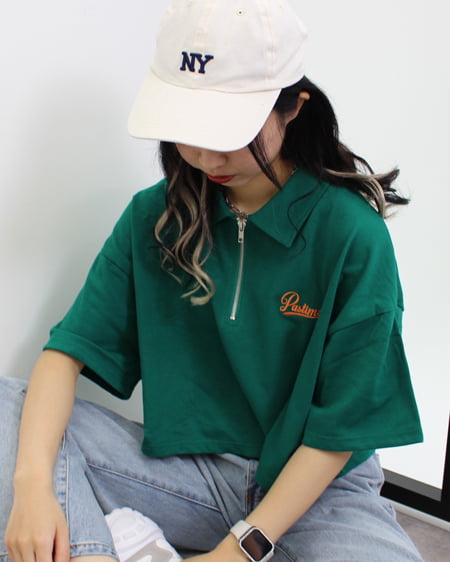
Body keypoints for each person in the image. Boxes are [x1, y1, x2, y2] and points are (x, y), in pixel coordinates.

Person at [0, 1, 424, 561]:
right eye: (186, 128)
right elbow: (64, 355)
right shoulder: (154, 217)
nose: (203, 156)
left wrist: (236, 551)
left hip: (320, 495)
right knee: (10, 407)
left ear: (293, 107)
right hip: (187, 476)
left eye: (227, 132)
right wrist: (32, 488)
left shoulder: (352, 235)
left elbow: (340, 431)